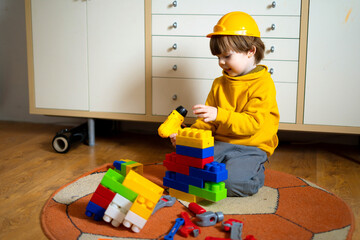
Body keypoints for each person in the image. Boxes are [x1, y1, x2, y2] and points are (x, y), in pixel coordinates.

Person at [170, 11, 280, 197]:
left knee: (230, 183)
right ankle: (220, 168)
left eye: (227, 56)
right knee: (183, 172)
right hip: (220, 143)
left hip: (251, 146)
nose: (221, 62)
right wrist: (189, 139)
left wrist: (219, 114)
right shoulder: (219, 83)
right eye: (218, 57)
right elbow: (206, 123)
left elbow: (252, 125)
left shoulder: (263, 84)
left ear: (250, 51)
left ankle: (255, 173)